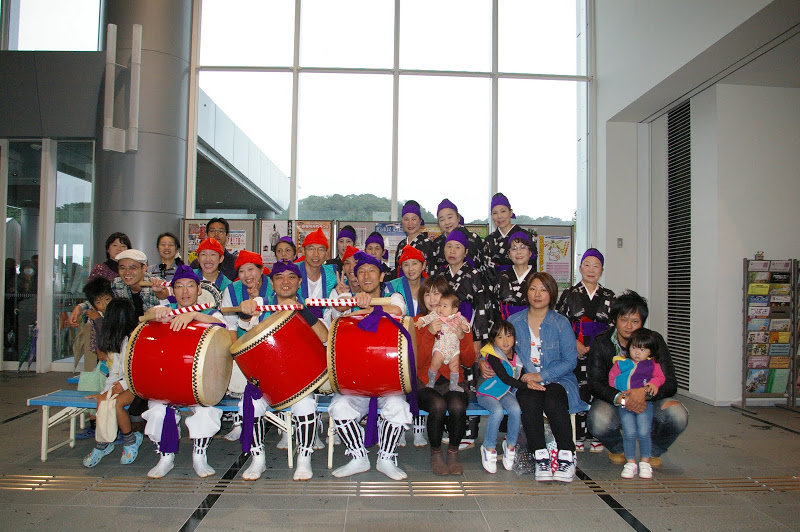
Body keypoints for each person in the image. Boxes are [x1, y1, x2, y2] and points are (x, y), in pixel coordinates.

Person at [483, 272, 588, 483]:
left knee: (553, 398)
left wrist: (541, 375)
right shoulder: (514, 321)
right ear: (526, 292)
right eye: (533, 289)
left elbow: (570, 361)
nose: (537, 294)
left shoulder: (561, 323)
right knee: (528, 399)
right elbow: (495, 348)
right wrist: (482, 362)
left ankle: (567, 455)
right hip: (525, 380)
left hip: (559, 379)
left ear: (552, 294)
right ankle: (541, 456)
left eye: (543, 290)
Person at [235, 260, 329, 481]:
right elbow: (244, 324)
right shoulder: (261, 304)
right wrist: (246, 311)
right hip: (266, 382)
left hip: (299, 382)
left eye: (291, 277)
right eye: (279, 277)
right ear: (271, 282)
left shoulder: (310, 307)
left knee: (305, 405)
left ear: (299, 282)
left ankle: (304, 459)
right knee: (248, 405)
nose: (285, 282)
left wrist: (301, 310)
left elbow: (324, 337)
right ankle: (258, 459)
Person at [328, 252, 410, 480]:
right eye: (361, 272)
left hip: (388, 378)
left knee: (398, 407)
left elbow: (397, 311)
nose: (366, 276)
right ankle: (358, 457)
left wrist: (367, 308)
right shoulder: (347, 298)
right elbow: (336, 318)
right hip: (356, 380)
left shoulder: (393, 296)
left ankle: (386, 459)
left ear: (381, 276)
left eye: (372, 271)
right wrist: (350, 303)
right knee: (339, 407)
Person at [140, 266, 228, 479]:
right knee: (158, 410)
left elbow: (222, 325)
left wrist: (194, 315)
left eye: (190, 286)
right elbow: (145, 317)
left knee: (206, 411)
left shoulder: (210, 312)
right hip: (169, 381)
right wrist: (155, 314)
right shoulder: (166, 308)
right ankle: (165, 456)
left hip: (199, 383)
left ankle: (199, 456)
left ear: (199, 290)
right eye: (179, 286)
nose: (185, 291)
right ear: (173, 290)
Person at [587, 290, 688, 469]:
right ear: (615, 319)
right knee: (598, 420)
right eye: (624, 320)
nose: (629, 326)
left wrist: (644, 393)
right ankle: (620, 449)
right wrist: (623, 398)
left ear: (642, 323)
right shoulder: (601, 342)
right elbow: (595, 383)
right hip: (615, 399)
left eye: (635, 321)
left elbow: (671, 383)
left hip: (650, 399)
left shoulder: (655, 341)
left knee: (678, 415)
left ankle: (653, 450)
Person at [221, 250, 275, 480]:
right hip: (247, 348)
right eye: (241, 271)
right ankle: (256, 454)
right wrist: (238, 354)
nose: (247, 275)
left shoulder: (275, 285)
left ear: (261, 270)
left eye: (251, 269)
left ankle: (287, 430)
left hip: (275, 349)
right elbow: (231, 326)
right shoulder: (231, 291)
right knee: (248, 399)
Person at [415, 275, 476, 475]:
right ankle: (436, 453)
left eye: (437, 293)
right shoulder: (417, 323)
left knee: (457, 405)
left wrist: (462, 337)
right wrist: (428, 333)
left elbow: (469, 361)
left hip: (453, 380)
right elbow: (416, 363)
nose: (433, 299)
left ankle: (453, 453)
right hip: (425, 381)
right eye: (427, 294)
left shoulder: (459, 322)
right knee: (438, 405)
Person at [556, 248, 615, 452]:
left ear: (602, 270)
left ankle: (597, 434)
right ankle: (579, 436)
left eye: (596, 266)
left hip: (600, 352)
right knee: (577, 390)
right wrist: (575, 343)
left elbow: (613, 327)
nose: (591, 270)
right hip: (575, 349)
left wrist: (598, 347)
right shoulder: (569, 294)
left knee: (599, 390)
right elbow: (561, 323)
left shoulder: (609, 296)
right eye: (587, 265)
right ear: (580, 268)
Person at [82, 298, 143, 468]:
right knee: (102, 402)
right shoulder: (116, 339)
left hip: (137, 384)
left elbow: (140, 368)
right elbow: (114, 371)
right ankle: (102, 443)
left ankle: (130, 440)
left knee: (116, 404)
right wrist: (106, 391)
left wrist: (124, 385)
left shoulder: (135, 338)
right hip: (122, 383)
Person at [609, 328, 665, 479]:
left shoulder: (652, 364)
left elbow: (660, 377)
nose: (637, 353)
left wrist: (654, 384)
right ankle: (630, 462)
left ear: (650, 352)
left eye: (642, 349)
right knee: (629, 432)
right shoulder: (621, 363)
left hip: (644, 404)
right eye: (634, 348)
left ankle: (645, 462)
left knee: (644, 431)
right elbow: (611, 378)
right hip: (625, 403)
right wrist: (619, 391)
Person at [476, 320, 523, 473]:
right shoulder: (493, 355)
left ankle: (510, 445)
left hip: (503, 392)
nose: (505, 341)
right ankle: (488, 447)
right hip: (486, 392)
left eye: (509, 336)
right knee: (496, 411)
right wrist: (527, 385)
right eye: (500, 337)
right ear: (493, 340)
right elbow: (505, 378)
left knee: (515, 409)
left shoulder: (517, 355)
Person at [440, 229, 492, 352]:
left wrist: (477, 340)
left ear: (466, 252)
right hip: (442, 331)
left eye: (458, 247)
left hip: (466, 329)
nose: (452, 251)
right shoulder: (440, 274)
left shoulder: (474, 275)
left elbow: (481, 308)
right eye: (449, 246)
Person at [68, 232, 132, 327]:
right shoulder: (99, 269)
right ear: (108, 249)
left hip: (126, 318)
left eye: (123, 246)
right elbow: (92, 296)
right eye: (115, 245)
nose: (119, 249)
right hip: (102, 319)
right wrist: (81, 307)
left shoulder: (133, 271)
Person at [415, 293, 470, 392]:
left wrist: (463, 328)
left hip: (453, 350)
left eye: (445, 306)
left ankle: (453, 385)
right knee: (435, 363)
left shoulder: (459, 318)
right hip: (440, 348)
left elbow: (467, 326)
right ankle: (431, 382)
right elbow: (427, 318)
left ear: (454, 310)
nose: (440, 308)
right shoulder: (436, 316)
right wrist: (420, 322)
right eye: (440, 305)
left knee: (454, 366)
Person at [483, 192, 537, 293]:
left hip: (525, 287)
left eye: (503, 211)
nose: (499, 216)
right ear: (491, 216)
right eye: (495, 213)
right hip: (499, 289)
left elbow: (533, 266)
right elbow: (487, 272)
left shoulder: (527, 236)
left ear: (511, 213)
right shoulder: (489, 240)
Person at [427, 199, 487, 282]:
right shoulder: (437, 243)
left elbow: (481, 266)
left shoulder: (472, 238)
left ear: (458, 217)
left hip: (470, 284)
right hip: (443, 286)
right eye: (442, 219)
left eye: (450, 217)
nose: (447, 222)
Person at [298, 228, 338, 320]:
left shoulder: (333, 277)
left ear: (327, 253)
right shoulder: (292, 274)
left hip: (325, 326)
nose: (316, 254)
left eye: (321, 249)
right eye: (311, 249)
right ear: (303, 251)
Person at [495, 231, 536, 320]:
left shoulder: (539, 278)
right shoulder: (501, 277)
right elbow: (494, 307)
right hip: (506, 325)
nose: (518, 252)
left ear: (530, 252)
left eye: (523, 247)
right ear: (509, 254)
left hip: (534, 324)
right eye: (514, 248)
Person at [393, 200, 434, 275]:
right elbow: (397, 270)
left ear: (420, 221)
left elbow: (431, 272)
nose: (410, 223)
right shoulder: (401, 245)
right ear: (402, 222)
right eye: (406, 219)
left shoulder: (427, 244)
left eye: (414, 219)